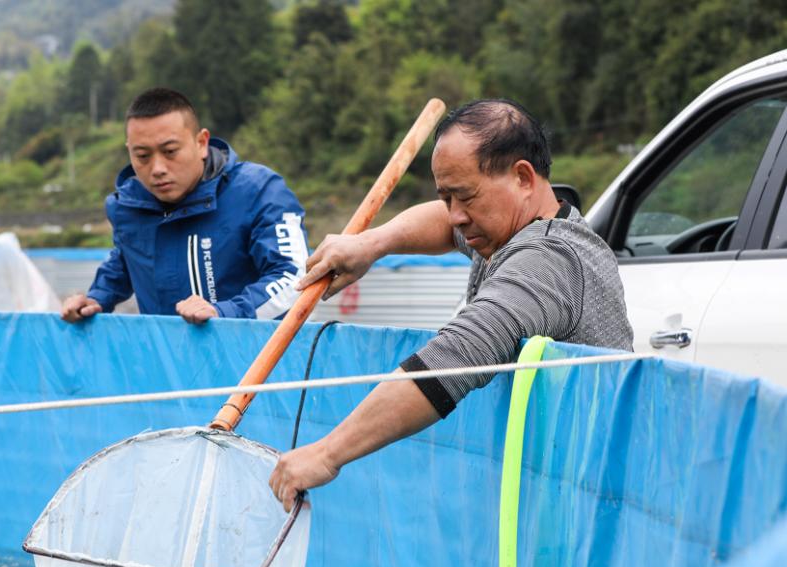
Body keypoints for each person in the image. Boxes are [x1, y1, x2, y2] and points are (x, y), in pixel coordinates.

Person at [269, 98, 634, 511]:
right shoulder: (501, 228)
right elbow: (444, 224)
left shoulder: (547, 260)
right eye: (446, 198)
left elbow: (451, 361)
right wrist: (371, 244)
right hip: (554, 486)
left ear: (522, 178)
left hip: (590, 499)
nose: (456, 216)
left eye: (465, 196)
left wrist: (326, 454)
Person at [60, 88, 308, 325]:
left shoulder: (260, 191)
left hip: (257, 362)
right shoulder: (126, 207)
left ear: (201, 142)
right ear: (129, 152)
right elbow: (127, 257)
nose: (157, 169)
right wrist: (97, 298)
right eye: (143, 156)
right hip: (169, 366)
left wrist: (225, 313)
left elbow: (294, 278)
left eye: (170, 151)